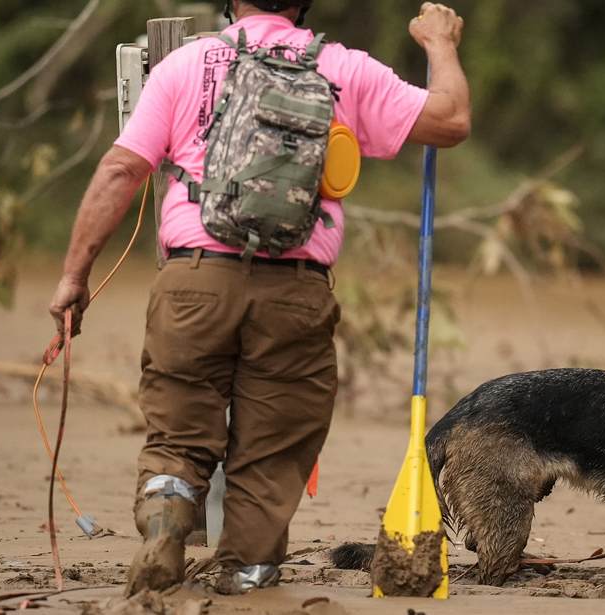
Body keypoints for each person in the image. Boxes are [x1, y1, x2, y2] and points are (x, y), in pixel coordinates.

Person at [47, 0, 469, 595]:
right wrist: (439, 44)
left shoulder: (186, 64)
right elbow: (450, 120)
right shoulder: (343, 68)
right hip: (295, 292)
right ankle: (245, 570)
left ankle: (167, 519)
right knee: (272, 450)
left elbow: (121, 170)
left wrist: (74, 276)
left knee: (178, 432)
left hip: (194, 281)